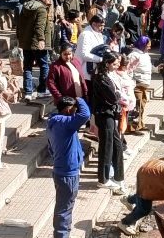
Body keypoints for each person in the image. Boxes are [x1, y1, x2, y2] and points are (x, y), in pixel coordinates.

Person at [49, 96, 90, 238]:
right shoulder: (65, 123)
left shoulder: (55, 122)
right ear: (67, 110)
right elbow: (85, 114)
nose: (75, 112)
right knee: (65, 209)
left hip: (60, 170)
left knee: (64, 206)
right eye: (74, 110)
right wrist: (79, 98)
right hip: (68, 173)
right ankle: (61, 235)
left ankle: (63, 234)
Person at [91, 53, 125, 193]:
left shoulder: (111, 76)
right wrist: (118, 94)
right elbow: (113, 96)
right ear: (107, 63)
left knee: (117, 144)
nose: (117, 66)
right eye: (115, 63)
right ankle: (103, 179)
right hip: (104, 114)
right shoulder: (101, 77)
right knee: (106, 145)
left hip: (111, 113)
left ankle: (118, 176)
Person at [17, 0, 54, 101]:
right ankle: (42, 90)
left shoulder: (25, 6)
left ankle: (28, 92)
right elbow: (39, 26)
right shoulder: (41, 9)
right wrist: (41, 39)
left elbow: (19, 24)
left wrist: (20, 39)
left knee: (27, 66)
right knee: (44, 65)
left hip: (26, 42)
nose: (50, 0)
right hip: (38, 43)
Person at [127, 37, 152, 132]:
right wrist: (132, 82)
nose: (149, 48)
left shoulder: (145, 55)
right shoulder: (134, 55)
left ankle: (140, 124)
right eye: (147, 46)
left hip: (144, 84)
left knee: (142, 104)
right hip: (137, 84)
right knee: (137, 106)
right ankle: (133, 127)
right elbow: (129, 70)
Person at [74, 14, 106, 79]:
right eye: (101, 26)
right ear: (94, 24)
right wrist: (101, 60)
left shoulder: (98, 33)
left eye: (103, 26)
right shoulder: (86, 35)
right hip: (84, 70)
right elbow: (85, 55)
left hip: (94, 70)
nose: (103, 28)